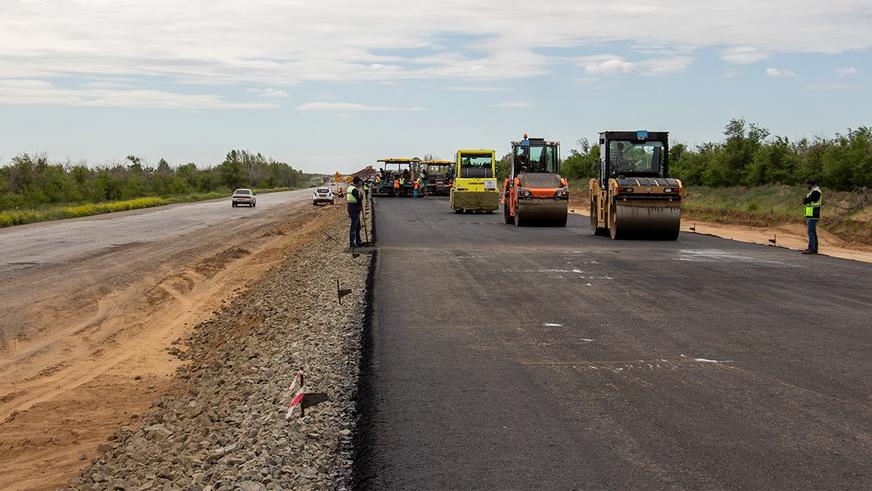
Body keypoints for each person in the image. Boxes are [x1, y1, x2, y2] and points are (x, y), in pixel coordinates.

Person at [802, 179, 823, 254]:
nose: (806, 186)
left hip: (813, 214)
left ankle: (811, 248)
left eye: (807, 184)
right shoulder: (814, 191)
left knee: (810, 232)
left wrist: (805, 200)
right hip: (811, 214)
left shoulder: (816, 192)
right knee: (812, 232)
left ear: (810, 184)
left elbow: (809, 200)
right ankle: (814, 249)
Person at [347, 177, 364, 248]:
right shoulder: (354, 189)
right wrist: (362, 195)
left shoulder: (350, 187)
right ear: (357, 182)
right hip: (354, 210)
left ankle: (358, 242)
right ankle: (352, 243)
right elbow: (359, 199)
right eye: (360, 182)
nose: (361, 183)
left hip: (353, 209)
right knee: (354, 226)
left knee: (357, 226)